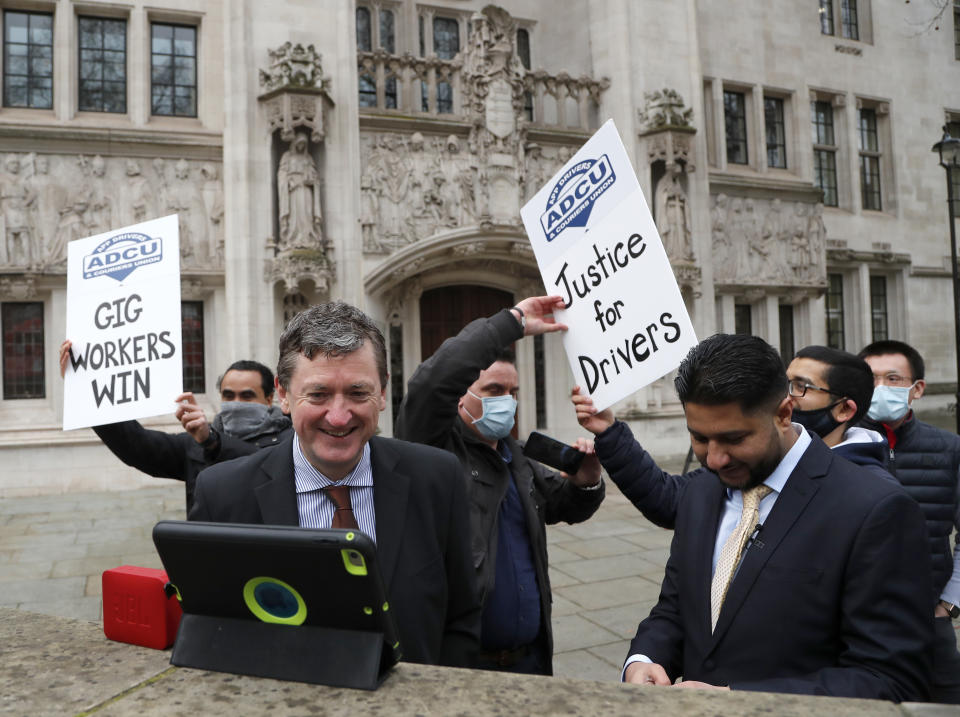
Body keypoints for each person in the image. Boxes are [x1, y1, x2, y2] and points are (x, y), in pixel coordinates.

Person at [575, 333, 932, 700]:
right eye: (698, 438)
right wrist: (645, 659)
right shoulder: (701, 491)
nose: (714, 459)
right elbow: (676, 609)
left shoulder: (875, 510)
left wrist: (739, 698)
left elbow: (891, 680)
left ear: (783, 413)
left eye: (733, 439)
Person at [188, 302, 481, 667]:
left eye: (358, 393)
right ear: (283, 395)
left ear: (383, 391)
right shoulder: (223, 494)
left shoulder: (437, 478)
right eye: (318, 394)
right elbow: (211, 631)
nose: (339, 416)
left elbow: (462, 616)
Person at [394, 295, 604, 675]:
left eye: (513, 393)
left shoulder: (515, 456)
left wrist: (586, 482)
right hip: (465, 665)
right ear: (461, 398)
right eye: (494, 391)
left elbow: (559, 505)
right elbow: (431, 383)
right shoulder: (432, 450)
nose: (507, 402)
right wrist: (512, 322)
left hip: (529, 658)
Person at [576, 344, 893, 529]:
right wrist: (610, 431)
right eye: (784, 383)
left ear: (844, 409)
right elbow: (668, 499)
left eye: (801, 387)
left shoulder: (873, 498)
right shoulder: (748, 462)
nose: (785, 395)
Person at [59, 340, 291, 512]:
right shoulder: (196, 442)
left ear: (269, 398)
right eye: (228, 396)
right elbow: (136, 446)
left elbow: (262, 465)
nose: (236, 404)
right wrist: (85, 390)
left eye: (247, 396)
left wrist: (212, 442)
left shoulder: (291, 440)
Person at [858, 339, 960, 704]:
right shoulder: (834, 449)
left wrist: (948, 603)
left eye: (893, 378)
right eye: (871, 379)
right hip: (854, 621)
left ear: (917, 388)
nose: (881, 388)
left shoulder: (948, 448)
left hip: (928, 620)